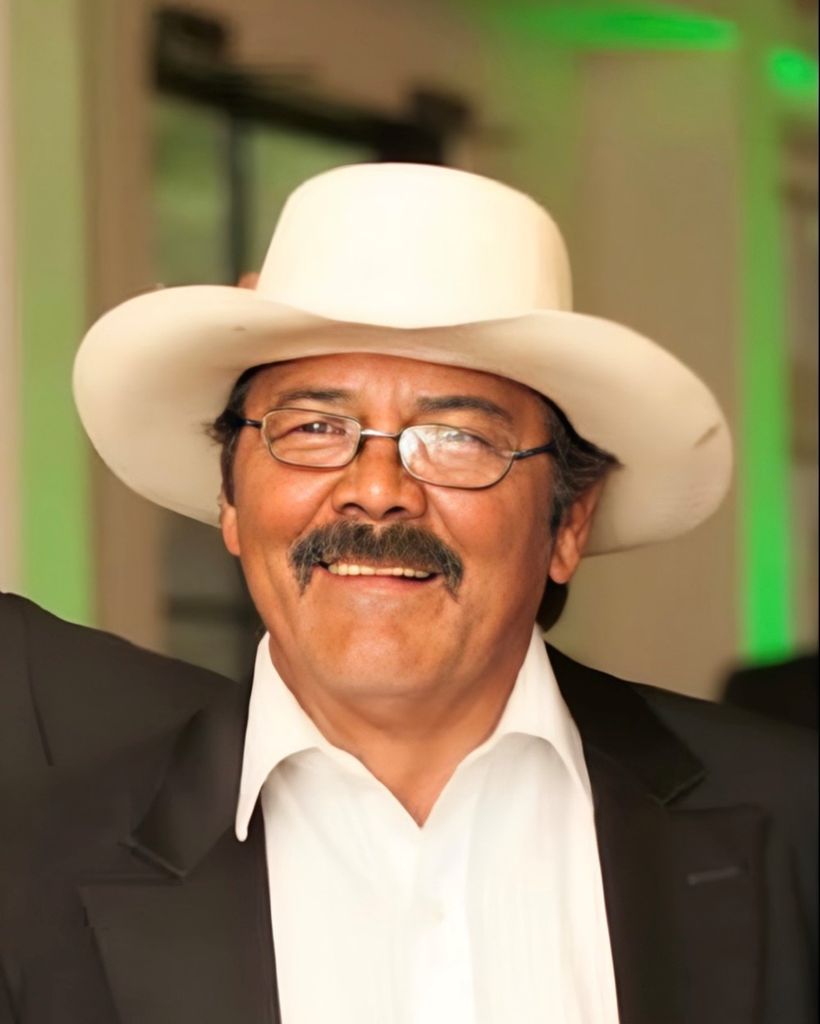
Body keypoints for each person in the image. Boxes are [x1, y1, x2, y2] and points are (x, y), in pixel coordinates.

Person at [1, 163, 815, 1024]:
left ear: (569, 521)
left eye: (456, 437)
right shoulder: (32, 873)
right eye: (314, 427)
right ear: (230, 500)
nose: (377, 490)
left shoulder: (793, 819)